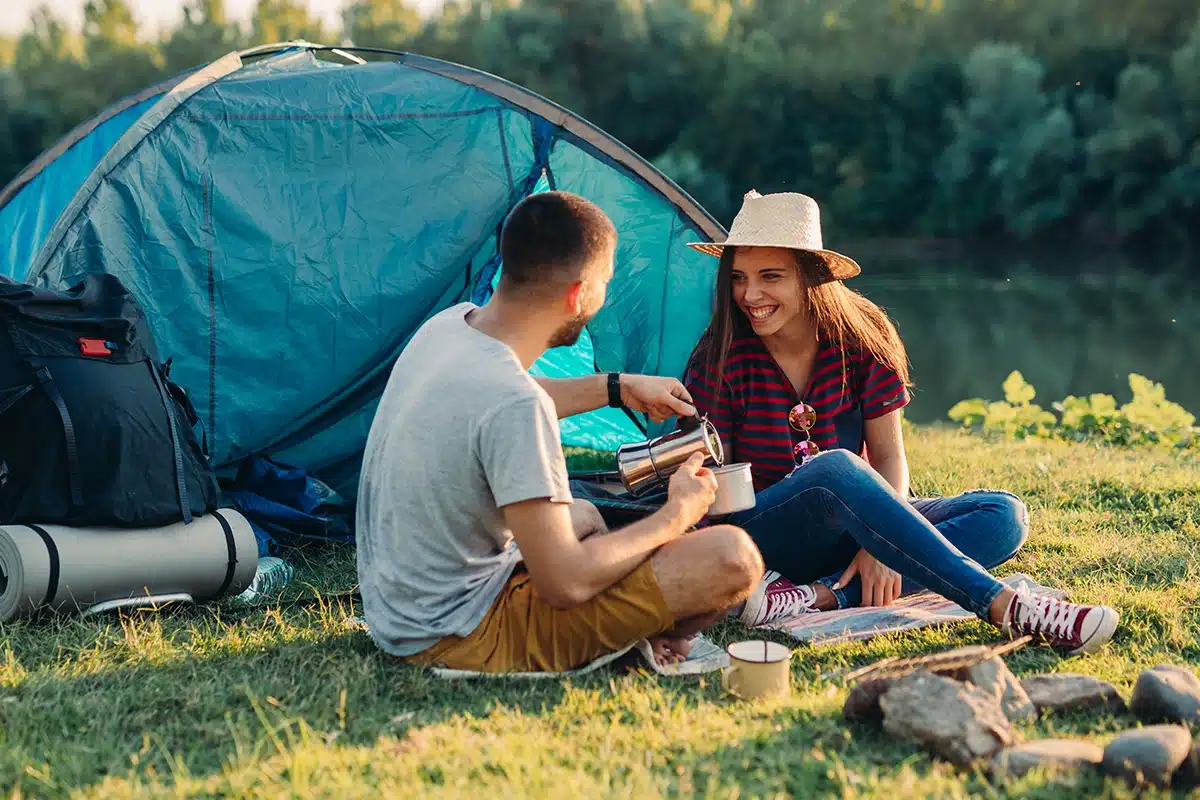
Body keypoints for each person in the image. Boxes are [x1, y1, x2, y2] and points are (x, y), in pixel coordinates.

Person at [681, 190, 1119, 654]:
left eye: (771, 276)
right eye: (739, 278)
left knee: (1004, 517)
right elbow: (717, 496)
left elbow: (890, 455)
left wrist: (879, 548)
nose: (750, 295)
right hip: (763, 534)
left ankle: (815, 597)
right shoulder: (721, 354)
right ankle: (1007, 606)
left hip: (849, 530)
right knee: (836, 469)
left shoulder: (863, 337)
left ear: (812, 276)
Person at [355, 190, 763, 673]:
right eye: (605, 281)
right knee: (733, 558)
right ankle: (633, 643)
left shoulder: (449, 328)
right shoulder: (513, 404)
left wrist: (618, 387)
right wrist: (677, 514)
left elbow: (504, 399)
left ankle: (625, 627)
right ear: (577, 293)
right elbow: (564, 584)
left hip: (399, 610)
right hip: (459, 635)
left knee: (586, 514)